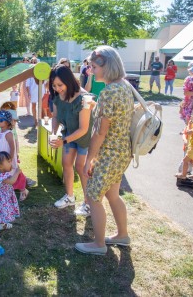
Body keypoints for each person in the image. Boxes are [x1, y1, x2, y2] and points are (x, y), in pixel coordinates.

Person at [76, 46, 135, 255]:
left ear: (106, 65)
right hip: (122, 152)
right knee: (112, 194)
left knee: (93, 196)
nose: (90, 71)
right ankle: (122, 235)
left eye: (93, 67)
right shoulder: (124, 86)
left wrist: (88, 160)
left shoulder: (109, 92)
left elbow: (100, 133)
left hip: (110, 153)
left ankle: (99, 244)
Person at [49, 65, 93, 217]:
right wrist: (54, 133)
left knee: (81, 168)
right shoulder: (56, 97)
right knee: (66, 164)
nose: (57, 89)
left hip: (85, 139)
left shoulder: (83, 98)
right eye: (54, 85)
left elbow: (83, 129)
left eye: (60, 85)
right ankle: (70, 197)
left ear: (68, 80)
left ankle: (89, 204)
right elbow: (55, 116)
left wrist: (63, 141)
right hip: (68, 135)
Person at [0, 110, 30, 201]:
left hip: (7, 160)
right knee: (4, 177)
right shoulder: (0, 132)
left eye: (1, 120)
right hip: (1, 159)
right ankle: (5, 194)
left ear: (7, 122)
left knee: (13, 176)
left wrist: (10, 160)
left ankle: (23, 190)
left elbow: (12, 148)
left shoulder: (8, 134)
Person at [26, 57, 44, 126]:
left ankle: (41, 120)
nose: (34, 63)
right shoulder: (30, 73)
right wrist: (28, 93)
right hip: (33, 92)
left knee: (41, 106)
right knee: (33, 106)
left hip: (41, 91)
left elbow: (45, 82)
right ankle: (35, 121)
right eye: (32, 62)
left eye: (35, 61)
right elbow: (27, 84)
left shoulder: (41, 71)